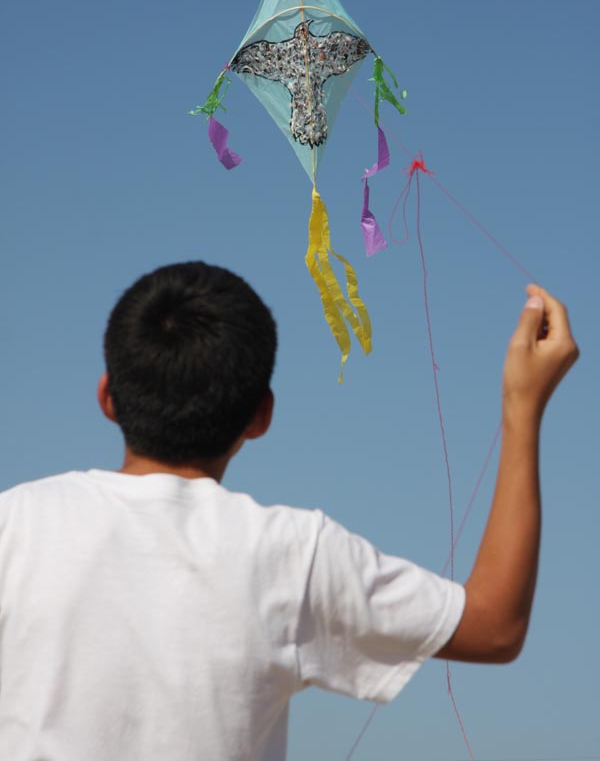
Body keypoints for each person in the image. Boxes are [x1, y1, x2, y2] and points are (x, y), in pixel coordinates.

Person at [0, 262, 578, 761]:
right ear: (261, 415)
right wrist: (522, 406)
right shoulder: (293, 553)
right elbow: (494, 627)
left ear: (107, 397)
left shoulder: (14, 523)